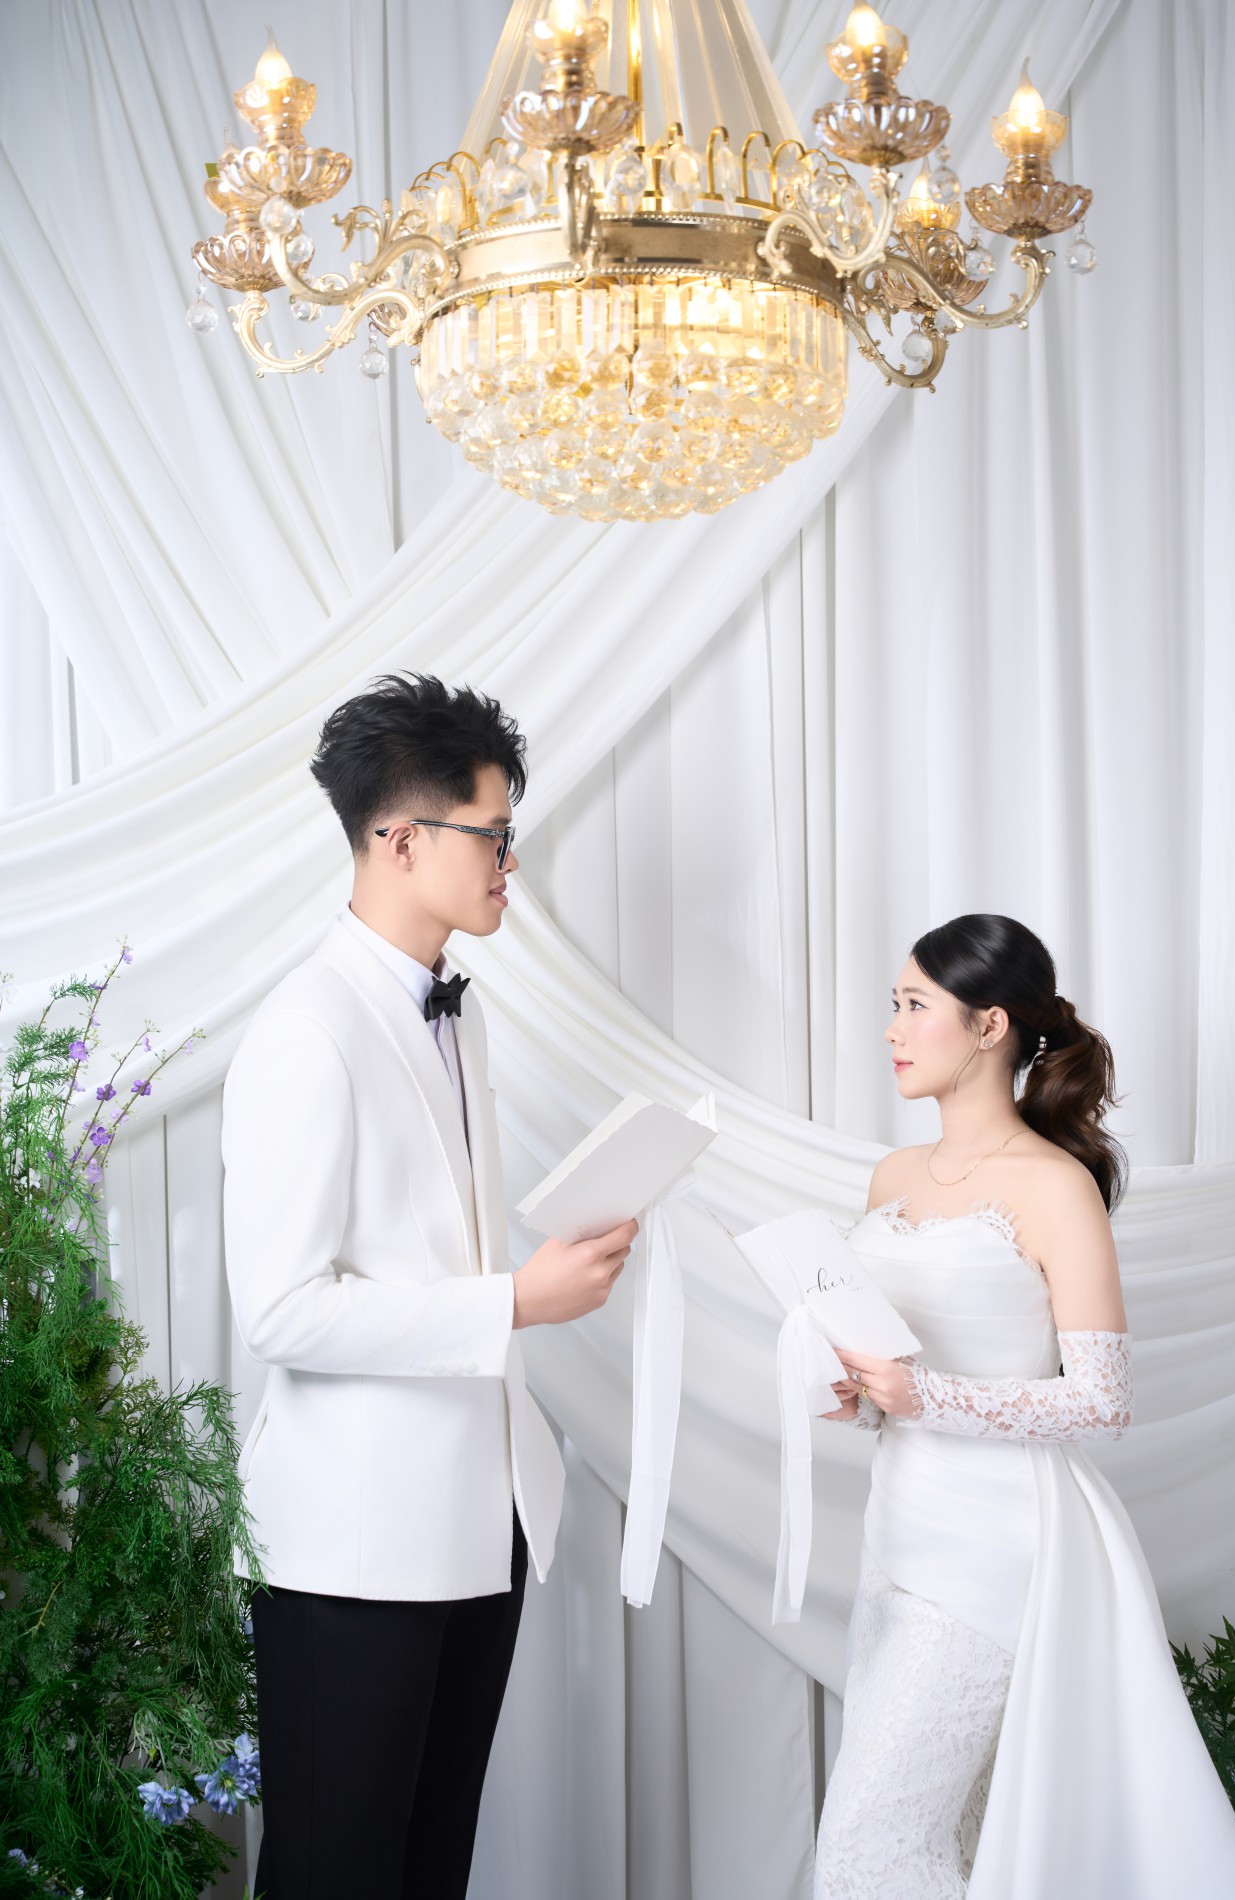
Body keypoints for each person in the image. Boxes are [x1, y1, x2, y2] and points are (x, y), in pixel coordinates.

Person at [221, 673, 637, 1900]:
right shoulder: (306, 1027)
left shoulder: (462, 1015)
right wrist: (515, 1299)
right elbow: (282, 1308)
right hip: (351, 1545)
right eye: (493, 835)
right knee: (335, 1875)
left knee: (427, 1872)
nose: (511, 862)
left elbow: (425, 1243)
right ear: (399, 839)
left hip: (476, 1522)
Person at [814, 913, 1235, 1900]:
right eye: (893, 1004)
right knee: (955, 1837)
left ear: (989, 1025)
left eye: (915, 1005)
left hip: (993, 1549)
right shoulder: (891, 1175)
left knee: (866, 1846)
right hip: (894, 1536)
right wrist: (866, 1397)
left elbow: (1102, 1401)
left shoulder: (1055, 1186)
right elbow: (897, 1369)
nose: (891, 1029)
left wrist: (925, 1394)